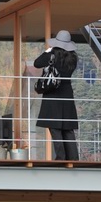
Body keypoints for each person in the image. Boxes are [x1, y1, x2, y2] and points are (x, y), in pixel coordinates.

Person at [34, 29, 79, 161]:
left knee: (55, 128)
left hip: (52, 94)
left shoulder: (51, 56)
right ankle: (73, 158)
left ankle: (61, 157)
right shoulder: (73, 58)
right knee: (68, 128)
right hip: (67, 95)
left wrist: (48, 51)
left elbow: (37, 63)